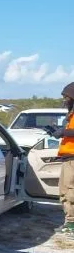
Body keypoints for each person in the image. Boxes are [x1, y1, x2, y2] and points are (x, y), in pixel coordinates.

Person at [53, 83, 74, 233]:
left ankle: (72, 224)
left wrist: (63, 132)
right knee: (64, 189)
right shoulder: (71, 114)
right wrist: (58, 131)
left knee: (70, 190)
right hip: (68, 156)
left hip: (73, 157)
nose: (64, 99)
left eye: (66, 96)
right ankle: (69, 222)